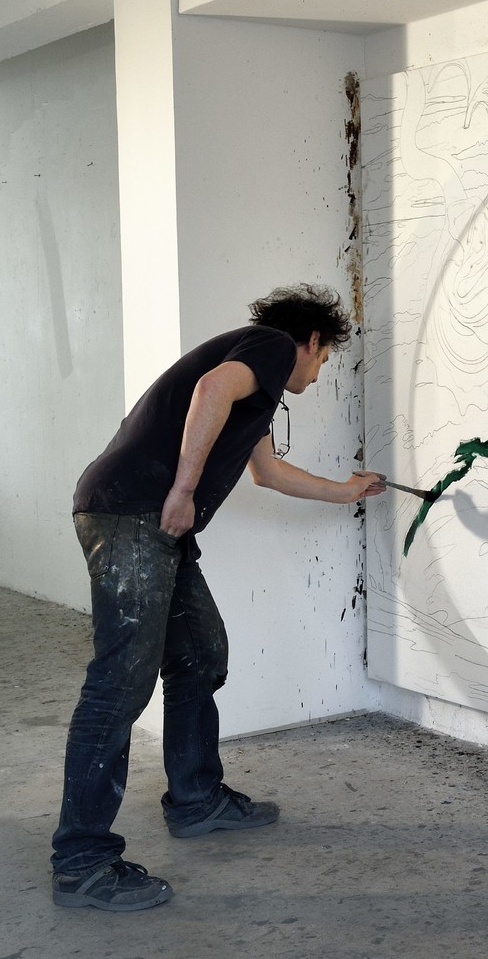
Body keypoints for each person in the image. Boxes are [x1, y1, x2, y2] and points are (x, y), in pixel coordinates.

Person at [52, 284, 386, 912]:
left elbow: (268, 472)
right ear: (310, 341)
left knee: (201, 652)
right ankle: (82, 861)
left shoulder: (257, 398)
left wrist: (347, 491)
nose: (317, 374)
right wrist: (183, 490)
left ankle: (196, 800)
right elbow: (209, 391)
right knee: (120, 682)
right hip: (135, 511)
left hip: (154, 522)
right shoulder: (268, 347)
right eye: (323, 360)